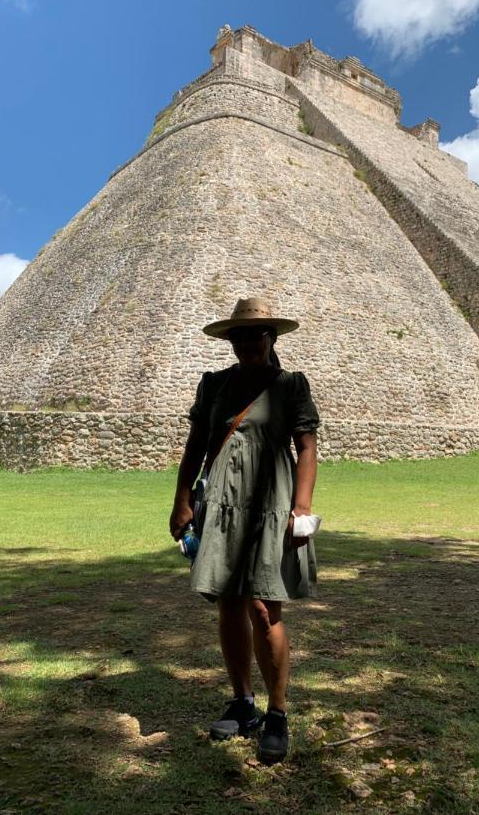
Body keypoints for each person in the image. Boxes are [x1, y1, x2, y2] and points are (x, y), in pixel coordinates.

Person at [169, 297, 320, 763]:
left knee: (263, 606)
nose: (247, 343)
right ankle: (243, 701)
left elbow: (307, 447)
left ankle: (277, 713)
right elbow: (196, 444)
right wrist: (180, 500)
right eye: (239, 336)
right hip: (220, 503)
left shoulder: (290, 385)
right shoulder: (215, 385)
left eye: (255, 334)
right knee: (228, 601)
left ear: (271, 338)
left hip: (270, 504)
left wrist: (301, 509)